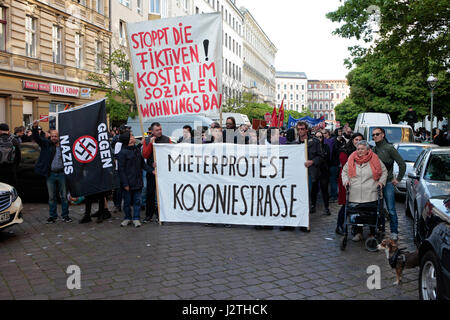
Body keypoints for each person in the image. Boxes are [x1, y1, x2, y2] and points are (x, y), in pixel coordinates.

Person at [342, 141, 387, 242]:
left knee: (371, 214)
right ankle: (358, 232)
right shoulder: (351, 159)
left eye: (362, 149)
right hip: (355, 192)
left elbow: (384, 172)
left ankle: (372, 233)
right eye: (358, 149)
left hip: (371, 192)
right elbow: (344, 172)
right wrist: (345, 181)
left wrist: (381, 182)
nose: (360, 151)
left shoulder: (375, 158)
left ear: (367, 150)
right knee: (356, 214)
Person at [32, 120, 71, 223]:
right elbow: (36, 138)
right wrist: (35, 128)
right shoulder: (46, 144)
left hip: (62, 174)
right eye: (52, 136)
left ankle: (65, 216)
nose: (54, 138)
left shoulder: (65, 146)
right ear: (50, 136)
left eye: (56, 136)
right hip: (50, 175)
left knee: (63, 197)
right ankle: (53, 216)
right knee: (51, 197)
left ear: (59, 137)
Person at [372, 127, 406, 241]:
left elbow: (402, 163)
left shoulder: (389, 148)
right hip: (376, 184)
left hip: (388, 183)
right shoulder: (373, 149)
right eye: (373, 135)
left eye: (377, 134)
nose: (375, 136)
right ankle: (380, 230)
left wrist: (398, 179)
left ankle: (394, 231)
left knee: (391, 208)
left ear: (383, 135)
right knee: (378, 208)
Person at [287, 121, 324, 214]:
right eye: (298, 129)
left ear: (306, 129)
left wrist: (312, 161)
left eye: (302, 129)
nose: (300, 131)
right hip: (298, 173)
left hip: (311, 172)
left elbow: (321, 157)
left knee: (310, 191)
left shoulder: (315, 142)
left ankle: (311, 206)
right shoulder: (293, 144)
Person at [117, 131, 152, 227]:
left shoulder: (136, 150)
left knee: (137, 201)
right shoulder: (122, 153)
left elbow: (142, 164)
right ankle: (127, 217)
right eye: (132, 135)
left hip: (137, 181)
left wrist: (151, 170)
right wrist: (125, 184)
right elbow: (121, 170)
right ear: (128, 140)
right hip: (128, 183)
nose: (133, 136)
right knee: (127, 202)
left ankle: (136, 218)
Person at [142, 122, 171, 223]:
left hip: (163, 171)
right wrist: (150, 143)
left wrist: (161, 161)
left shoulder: (167, 139)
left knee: (162, 193)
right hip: (152, 172)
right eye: (157, 130)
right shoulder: (146, 140)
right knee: (150, 193)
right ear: (152, 131)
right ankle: (149, 215)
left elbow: (170, 154)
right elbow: (145, 155)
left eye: (160, 129)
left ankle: (161, 214)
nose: (160, 131)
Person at [335, 133, 364, 235]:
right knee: (346, 204)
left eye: (360, 140)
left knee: (357, 205)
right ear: (352, 140)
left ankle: (355, 227)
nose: (358, 141)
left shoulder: (364, 151)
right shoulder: (345, 151)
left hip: (359, 181)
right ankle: (339, 225)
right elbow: (345, 166)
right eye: (356, 139)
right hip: (346, 180)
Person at [312, 131, 330, 215]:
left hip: (323, 171)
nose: (319, 139)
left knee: (324, 190)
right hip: (315, 171)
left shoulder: (326, 147)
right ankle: (313, 206)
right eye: (317, 137)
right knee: (314, 190)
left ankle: (326, 208)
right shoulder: (312, 147)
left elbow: (327, 158)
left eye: (320, 137)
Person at [0, 123, 21, 188]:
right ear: (8, 130)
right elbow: (18, 157)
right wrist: (15, 168)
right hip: (10, 170)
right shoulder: (14, 140)